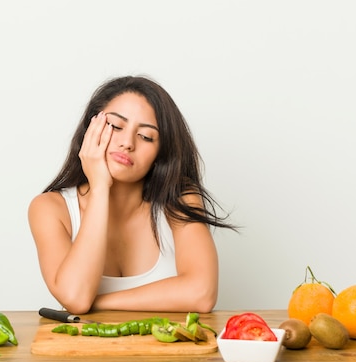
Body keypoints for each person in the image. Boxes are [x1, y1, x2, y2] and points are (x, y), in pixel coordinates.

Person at [28, 75, 236, 314]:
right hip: (83, 351)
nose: (127, 143)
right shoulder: (49, 208)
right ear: (90, 129)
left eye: (146, 137)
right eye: (116, 126)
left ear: (161, 153)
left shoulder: (181, 201)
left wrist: (98, 302)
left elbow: (201, 294)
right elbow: (75, 297)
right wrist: (99, 188)